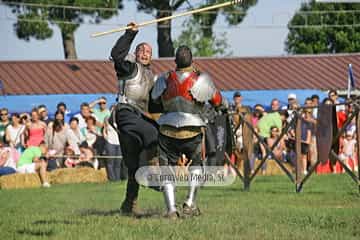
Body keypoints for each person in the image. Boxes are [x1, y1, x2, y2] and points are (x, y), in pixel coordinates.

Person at [152, 45, 224, 218]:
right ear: (192, 61)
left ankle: (171, 209)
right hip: (193, 129)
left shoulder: (164, 78)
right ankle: (190, 203)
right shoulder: (201, 79)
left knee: (167, 168)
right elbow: (217, 101)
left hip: (167, 129)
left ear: (175, 61)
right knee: (197, 164)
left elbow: (154, 102)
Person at [109, 22, 159, 215]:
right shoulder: (128, 67)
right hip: (126, 112)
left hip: (139, 117)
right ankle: (154, 175)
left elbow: (155, 104)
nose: (145, 53)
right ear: (136, 54)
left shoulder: (152, 77)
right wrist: (130, 34)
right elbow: (116, 54)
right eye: (141, 50)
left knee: (133, 168)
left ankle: (128, 205)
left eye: (148, 51)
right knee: (154, 133)